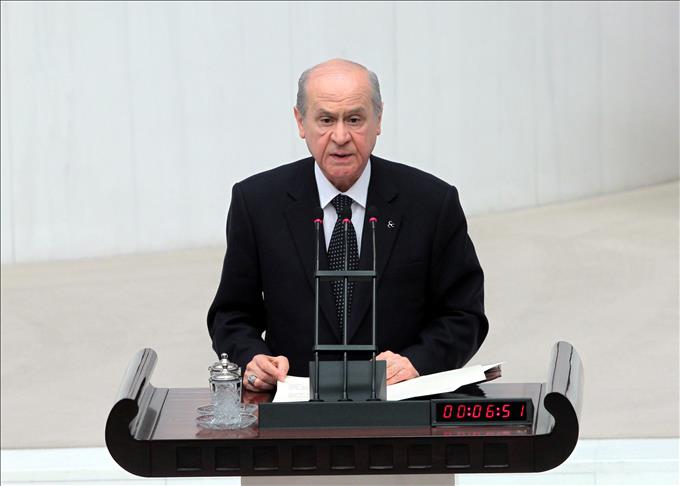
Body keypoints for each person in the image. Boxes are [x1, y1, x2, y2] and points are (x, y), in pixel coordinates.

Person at [208, 59, 488, 393]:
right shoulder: (256, 202)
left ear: (378, 120)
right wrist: (253, 358)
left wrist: (418, 362)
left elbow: (464, 314)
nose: (340, 137)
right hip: (296, 405)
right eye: (326, 120)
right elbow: (232, 314)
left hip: (400, 403)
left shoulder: (432, 202)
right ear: (300, 122)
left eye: (354, 120)